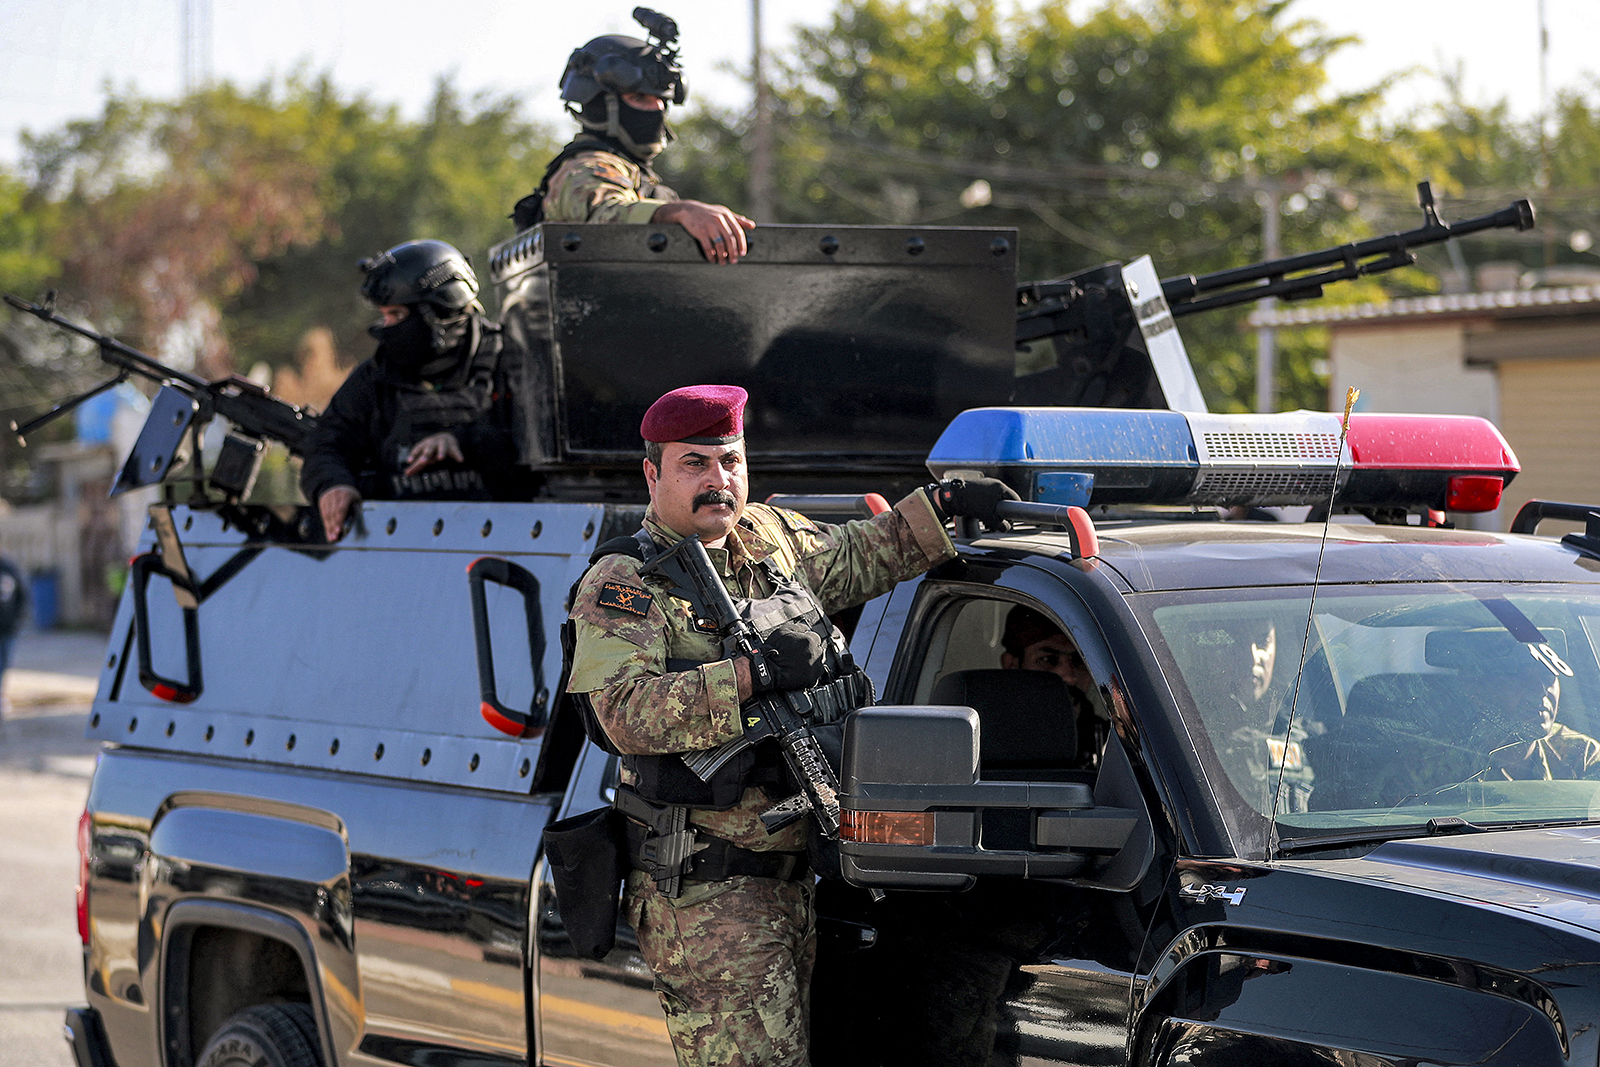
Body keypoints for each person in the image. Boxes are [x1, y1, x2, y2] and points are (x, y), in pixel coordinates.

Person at [565, 384, 1017, 1066]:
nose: (719, 480)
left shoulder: (768, 539)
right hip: (708, 896)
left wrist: (946, 507)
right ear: (652, 473)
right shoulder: (625, 581)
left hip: (799, 880)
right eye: (695, 464)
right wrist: (752, 677)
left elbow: (867, 553)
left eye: (731, 461)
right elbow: (623, 713)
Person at [299, 239, 531, 541]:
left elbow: (535, 452)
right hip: (403, 546)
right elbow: (326, 445)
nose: (386, 327)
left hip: (508, 540)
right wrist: (332, 485)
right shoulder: (374, 379)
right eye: (384, 316)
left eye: (396, 316)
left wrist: (465, 443)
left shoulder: (510, 363)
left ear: (438, 313)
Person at [511, 12, 754, 265]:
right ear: (601, 105)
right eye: (639, 98)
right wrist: (680, 211)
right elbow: (606, 212)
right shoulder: (585, 168)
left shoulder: (635, 175)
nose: (656, 110)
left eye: (661, 101)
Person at [999, 604, 1105, 769]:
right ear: (1012, 665)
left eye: (1079, 662)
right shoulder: (983, 741)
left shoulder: (1113, 743)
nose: (1069, 678)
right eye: (1047, 660)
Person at [0, 536, 29, 716]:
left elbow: (23, 594)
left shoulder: (9, 568)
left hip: (8, 628)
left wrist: (18, 620)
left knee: (4, 664)